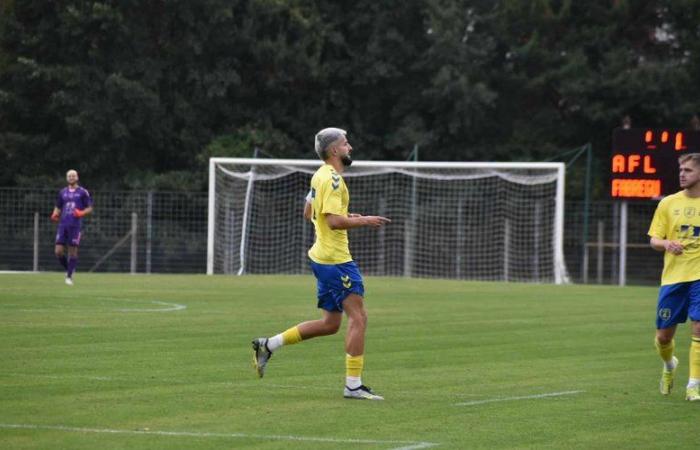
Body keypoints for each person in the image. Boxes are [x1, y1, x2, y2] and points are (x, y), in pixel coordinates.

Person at [252, 127, 391, 400]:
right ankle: (353, 385)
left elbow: (309, 212)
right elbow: (331, 221)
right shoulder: (334, 180)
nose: (350, 147)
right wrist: (364, 220)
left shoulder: (319, 175)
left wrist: (345, 214)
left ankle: (268, 345)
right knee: (359, 318)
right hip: (336, 260)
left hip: (321, 257)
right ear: (334, 150)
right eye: (345, 143)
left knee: (330, 324)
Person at [649, 153, 700, 401]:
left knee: (699, 327)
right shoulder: (668, 203)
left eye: (688, 170)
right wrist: (667, 243)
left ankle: (693, 386)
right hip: (673, 278)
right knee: (663, 336)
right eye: (681, 169)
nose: (682, 173)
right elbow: (654, 240)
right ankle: (670, 365)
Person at [50, 169, 93, 285]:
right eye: (69, 176)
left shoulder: (83, 192)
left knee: (72, 252)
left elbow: (89, 208)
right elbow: (58, 206)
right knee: (58, 251)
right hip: (63, 225)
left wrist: (81, 213)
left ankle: (69, 277)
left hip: (75, 226)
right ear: (66, 178)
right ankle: (69, 268)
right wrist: (55, 214)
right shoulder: (62, 192)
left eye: (73, 176)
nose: (71, 178)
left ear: (77, 177)